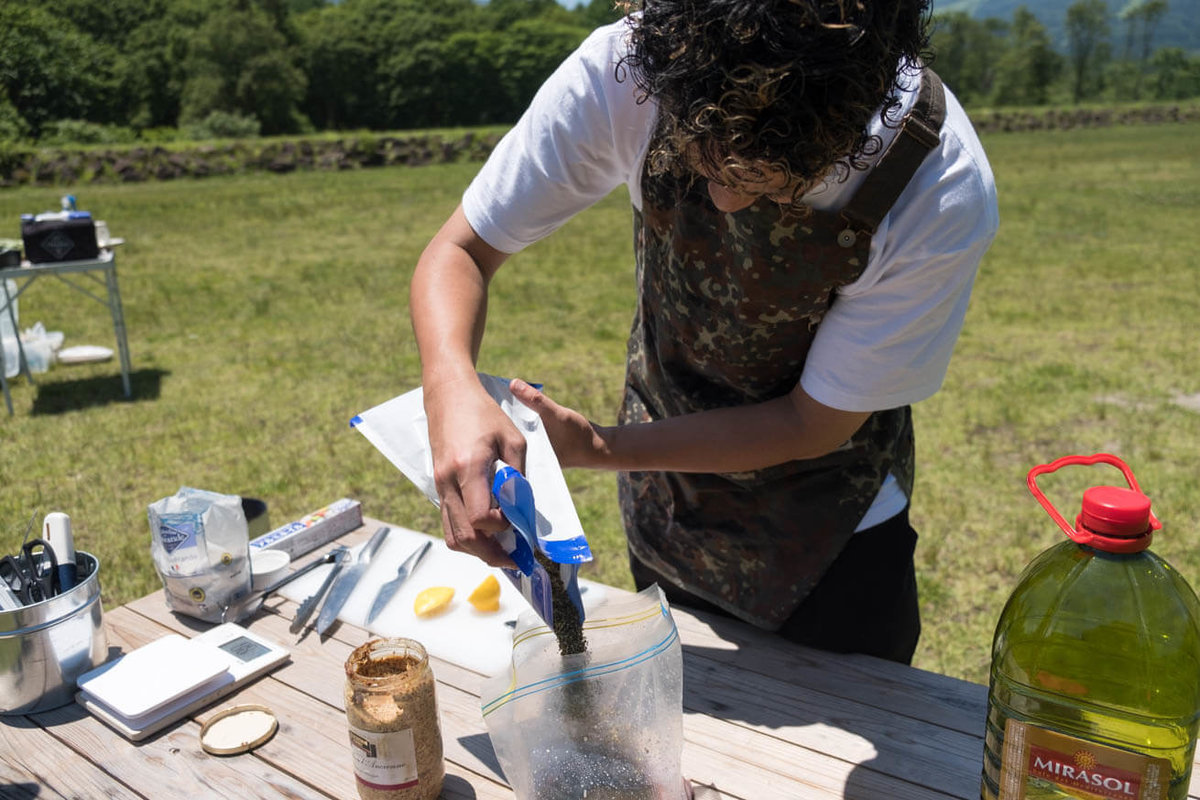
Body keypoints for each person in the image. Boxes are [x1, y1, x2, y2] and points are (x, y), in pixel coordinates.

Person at [410, 0, 998, 664]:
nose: (724, 203)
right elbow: (459, 252)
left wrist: (601, 447)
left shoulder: (936, 184)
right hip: (665, 508)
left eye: (769, 184)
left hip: (830, 539)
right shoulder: (629, 69)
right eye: (705, 162)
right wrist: (451, 389)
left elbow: (810, 423)